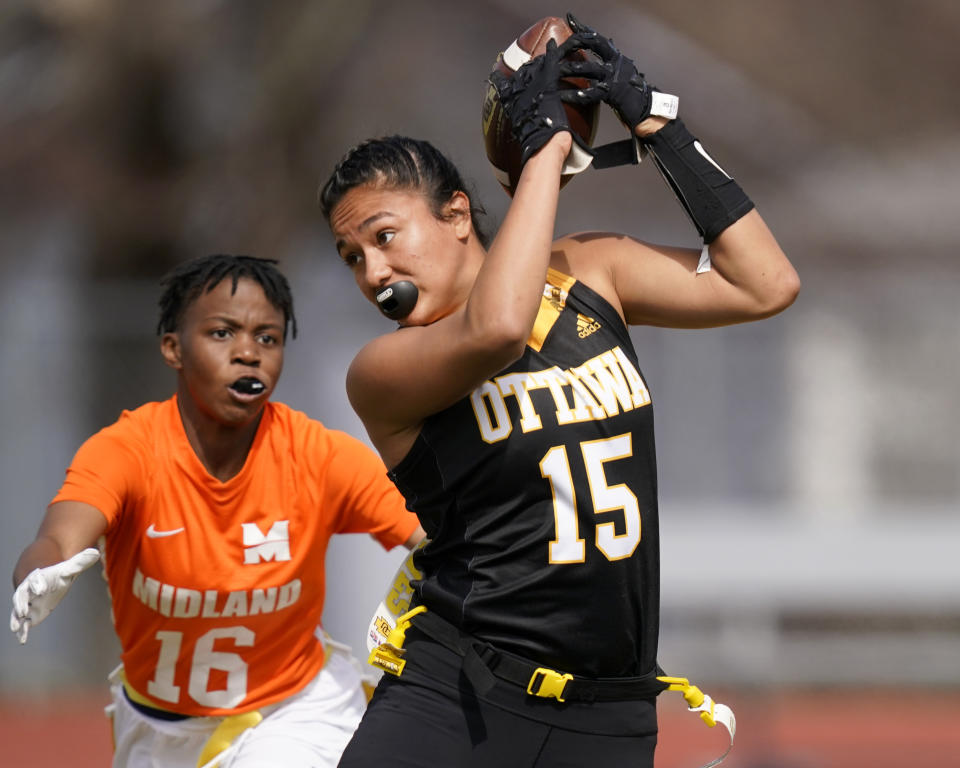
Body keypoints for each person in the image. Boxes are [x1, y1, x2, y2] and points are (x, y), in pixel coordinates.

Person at [317, 14, 799, 768]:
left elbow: (765, 284)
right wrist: (548, 152)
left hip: (608, 717)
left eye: (383, 237)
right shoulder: (385, 371)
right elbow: (498, 329)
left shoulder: (587, 272)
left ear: (453, 214)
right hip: (459, 700)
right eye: (351, 256)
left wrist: (656, 123)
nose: (372, 272)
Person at [10, 254, 424, 768]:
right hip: (158, 729)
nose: (248, 353)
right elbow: (59, 537)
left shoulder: (318, 456)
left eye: (267, 338)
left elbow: (433, 532)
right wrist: (40, 572)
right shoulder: (128, 450)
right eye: (223, 333)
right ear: (173, 348)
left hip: (295, 711)